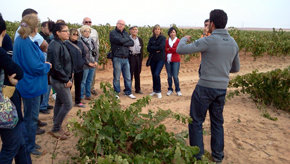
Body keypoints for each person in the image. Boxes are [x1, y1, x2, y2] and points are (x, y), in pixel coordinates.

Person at [176, 9, 240, 163]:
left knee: (196, 121)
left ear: (212, 23)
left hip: (204, 87)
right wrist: (222, 69)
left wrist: (184, 39)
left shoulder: (208, 40)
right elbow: (236, 68)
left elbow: (180, 50)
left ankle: (197, 156)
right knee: (217, 122)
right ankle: (218, 156)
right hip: (221, 89)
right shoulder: (233, 43)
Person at [13, 14, 51, 156]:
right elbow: (34, 67)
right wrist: (46, 66)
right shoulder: (24, 42)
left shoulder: (21, 40)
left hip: (28, 84)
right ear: (35, 27)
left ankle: (29, 143)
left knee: (29, 116)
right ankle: (29, 146)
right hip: (31, 86)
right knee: (31, 117)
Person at [0, 13, 32, 164]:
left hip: (6, 94)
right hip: (5, 100)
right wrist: (11, 80)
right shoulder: (3, 49)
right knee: (12, 144)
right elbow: (17, 72)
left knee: (19, 141)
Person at [47, 22, 73, 140]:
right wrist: (66, 79)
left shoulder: (60, 43)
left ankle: (56, 124)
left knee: (59, 102)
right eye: (65, 31)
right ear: (57, 33)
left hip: (61, 78)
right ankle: (55, 128)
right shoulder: (55, 45)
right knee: (68, 104)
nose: (68, 33)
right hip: (59, 80)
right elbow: (56, 66)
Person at [109, 20, 136, 99]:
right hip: (117, 57)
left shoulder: (125, 33)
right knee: (117, 77)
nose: (121, 25)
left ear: (124, 26)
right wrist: (124, 41)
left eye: (123, 24)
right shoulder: (113, 33)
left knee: (128, 76)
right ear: (117, 24)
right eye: (120, 24)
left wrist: (122, 42)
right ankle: (116, 92)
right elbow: (119, 40)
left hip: (126, 58)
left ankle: (128, 92)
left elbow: (131, 42)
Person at [65, 29, 86, 107]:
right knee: (68, 86)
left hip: (79, 68)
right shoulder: (66, 44)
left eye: (77, 34)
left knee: (78, 85)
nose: (76, 36)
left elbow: (84, 54)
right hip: (70, 70)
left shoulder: (80, 44)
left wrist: (82, 62)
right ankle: (66, 102)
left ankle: (78, 101)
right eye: (74, 34)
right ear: (70, 35)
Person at [79, 17, 100, 95]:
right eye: (85, 31)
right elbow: (81, 54)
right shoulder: (80, 42)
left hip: (93, 63)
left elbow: (96, 50)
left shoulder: (92, 41)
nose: (87, 32)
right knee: (83, 81)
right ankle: (81, 96)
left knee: (89, 80)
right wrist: (88, 63)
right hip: (85, 65)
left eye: (88, 31)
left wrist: (95, 61)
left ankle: (88, 94)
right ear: (81, 32)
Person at [39, 21, 54, 115]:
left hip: (48, 63)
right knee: (45, 84)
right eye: (48, 28)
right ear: (42, 28)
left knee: (49, 85)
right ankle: (43, 106)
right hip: (44, 64)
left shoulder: (48, 37)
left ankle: (45, 103)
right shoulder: (40, 38)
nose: (50, 30)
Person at [147, 24, 166, 99]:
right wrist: (155, 49)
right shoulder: (151, 39)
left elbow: (161, 47)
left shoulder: (163, 38)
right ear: (153, 30)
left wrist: (153, 48)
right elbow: (148, 48)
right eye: (156, 29)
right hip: (153, 59)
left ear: (160, 30)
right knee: (153, 75)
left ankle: (158, 91)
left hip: (160, 59)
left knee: (156, 74)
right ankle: (154, 90)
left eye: (158, 29)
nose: (157, 30)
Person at [165, 27, 182, 96]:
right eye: (171, 32)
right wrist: (172, 49)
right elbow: (165, 49)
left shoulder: (178, 41)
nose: (172, 33)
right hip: (168, 60)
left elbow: (177, 49)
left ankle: (178, 90)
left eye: (174, 32)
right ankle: (170, 89)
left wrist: (170, 49)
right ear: (169, 33)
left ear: (175, 33)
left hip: (176, 60)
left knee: (175, 76)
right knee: (169, 76)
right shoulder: (166, 41)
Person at [128, 26, 144, 94]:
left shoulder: (140, 39)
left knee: (137, 74)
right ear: (130, 31)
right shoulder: (127, 39)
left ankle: (138, 89)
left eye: (136, 29)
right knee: (129, 74)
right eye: (133, 29)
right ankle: (128, 89)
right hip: (130, 57)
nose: (135, 31)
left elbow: (142, 50)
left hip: (137, 57)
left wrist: (140, 60)